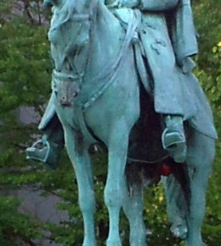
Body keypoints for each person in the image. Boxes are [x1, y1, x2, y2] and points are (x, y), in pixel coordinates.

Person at [27, 0, 204, 166]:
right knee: (74, 53)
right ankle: (53, 134)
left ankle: (173, 122)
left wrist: (138, 2)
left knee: (160, 56)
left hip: (146, 18)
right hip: (103, 17)